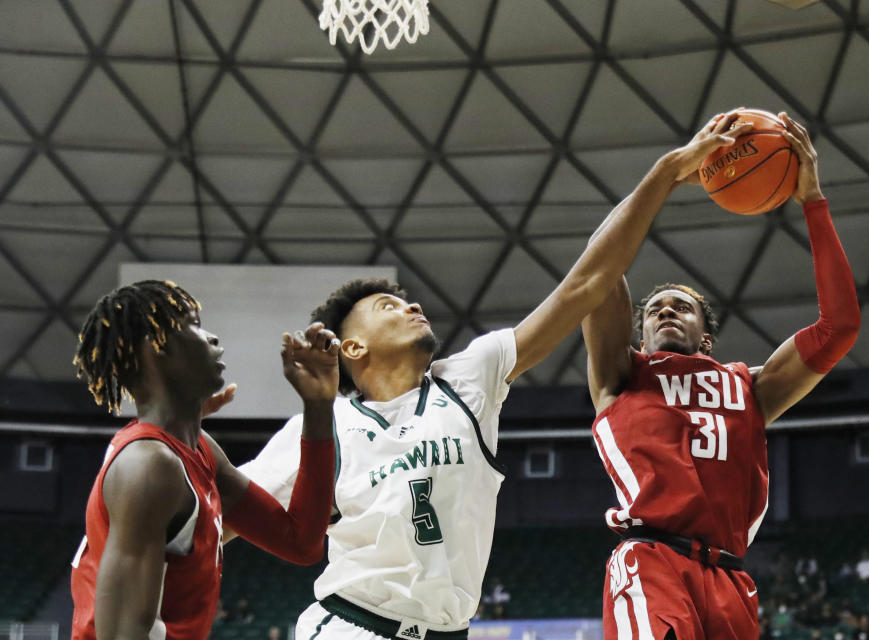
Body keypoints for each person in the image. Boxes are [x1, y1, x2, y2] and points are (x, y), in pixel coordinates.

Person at [234, 113, 757, 639]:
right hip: (351, 625)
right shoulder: (327, 423)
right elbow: (227, 513)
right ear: (353, 346)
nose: (411, 304)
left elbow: (586, 285)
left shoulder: (467, 379)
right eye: (389, 305)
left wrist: (665, 174)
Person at [582, 113, 860, 639]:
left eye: (680, 307)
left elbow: (839, 327)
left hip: (731, 580)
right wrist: (667, 174)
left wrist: (812, 202)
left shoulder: (749, 387)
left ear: (706, 339)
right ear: (639, 337)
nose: (665, 311)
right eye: (655, 309)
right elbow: (599, 267)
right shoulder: (622, 375)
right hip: (652, 561)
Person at [69, 280, 339, 640]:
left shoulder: (197, 451)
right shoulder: (150, 465)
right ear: (155, 349)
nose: (212, 338)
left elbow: (302, 543)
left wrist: (318, 407)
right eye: (194, 324)